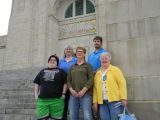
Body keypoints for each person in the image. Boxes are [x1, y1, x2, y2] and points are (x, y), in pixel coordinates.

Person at [93, 52, 127, 120]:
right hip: (102, 102)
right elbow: (95, 89)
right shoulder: (97, 73)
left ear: (109, 59)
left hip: (115, 101)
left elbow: (122, 84)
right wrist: (95, 102)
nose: (104, 60)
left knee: (115, 118)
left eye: (106, 58)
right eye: (102, 58)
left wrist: (124, 98)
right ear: (100, 60)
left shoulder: (115, 70)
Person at [34, 55, 67, 120]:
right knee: (41, 118)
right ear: (48, 61)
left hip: (57, 100)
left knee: (55, 118)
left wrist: (63, 94)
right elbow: (37, 83)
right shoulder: (42, 71)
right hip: (42, 100)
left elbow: (65, 83)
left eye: (54, 60)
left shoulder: (61, 71)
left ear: (57, 62)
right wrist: (36, 95)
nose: (52, 61)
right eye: (50, 60)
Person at [67, 46, 94, 120]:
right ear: (76, 54)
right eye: (78, 51)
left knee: (87, 115)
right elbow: (68, 80)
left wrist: (83, 90)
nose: (79, 53)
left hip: (86, 94)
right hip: (73, 95)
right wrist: (71, 90)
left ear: (84, 54)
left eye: (81, 51)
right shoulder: (72, 66)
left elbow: (91, 79)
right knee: (72, 115)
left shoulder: (88, 66)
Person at [59, 45, 77, 120]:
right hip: (63, 85)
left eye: (70, 49)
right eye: (66, 49)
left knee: (74, 103)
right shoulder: (60, 61)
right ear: (64, 51)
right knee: (64, 102)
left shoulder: (76, 60)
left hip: (73, 84)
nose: (68, 50)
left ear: (72, 51)